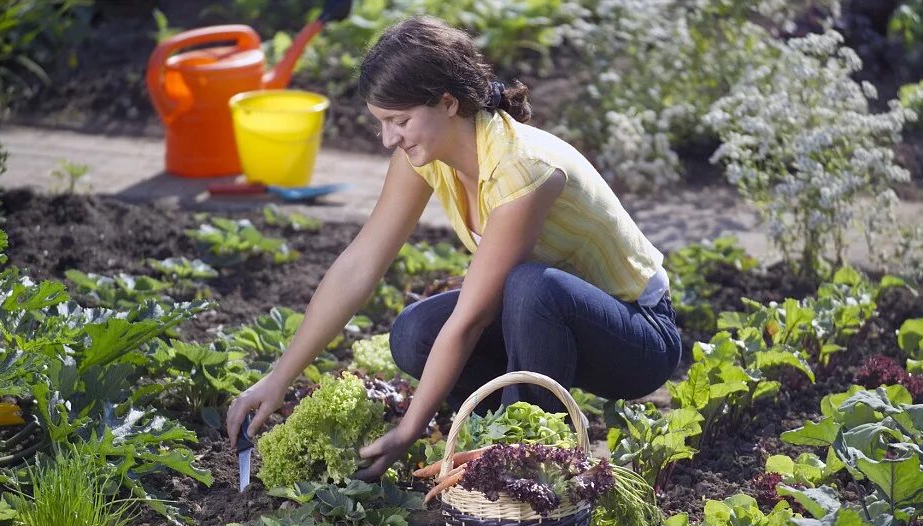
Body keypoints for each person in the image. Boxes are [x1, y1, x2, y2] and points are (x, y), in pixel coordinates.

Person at [226, 15, 681, 480]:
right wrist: (278, 378)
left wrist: (409, 430)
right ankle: (519, 430)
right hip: (552, 326)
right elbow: (359, 264)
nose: (389, 138)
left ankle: (525, 460)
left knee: (527, 287)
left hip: (637, 337)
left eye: (400, 121)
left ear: (447, 103)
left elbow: (472, 319)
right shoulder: (425, 158)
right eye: (381, 123)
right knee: (414, 332)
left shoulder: (521, 169)